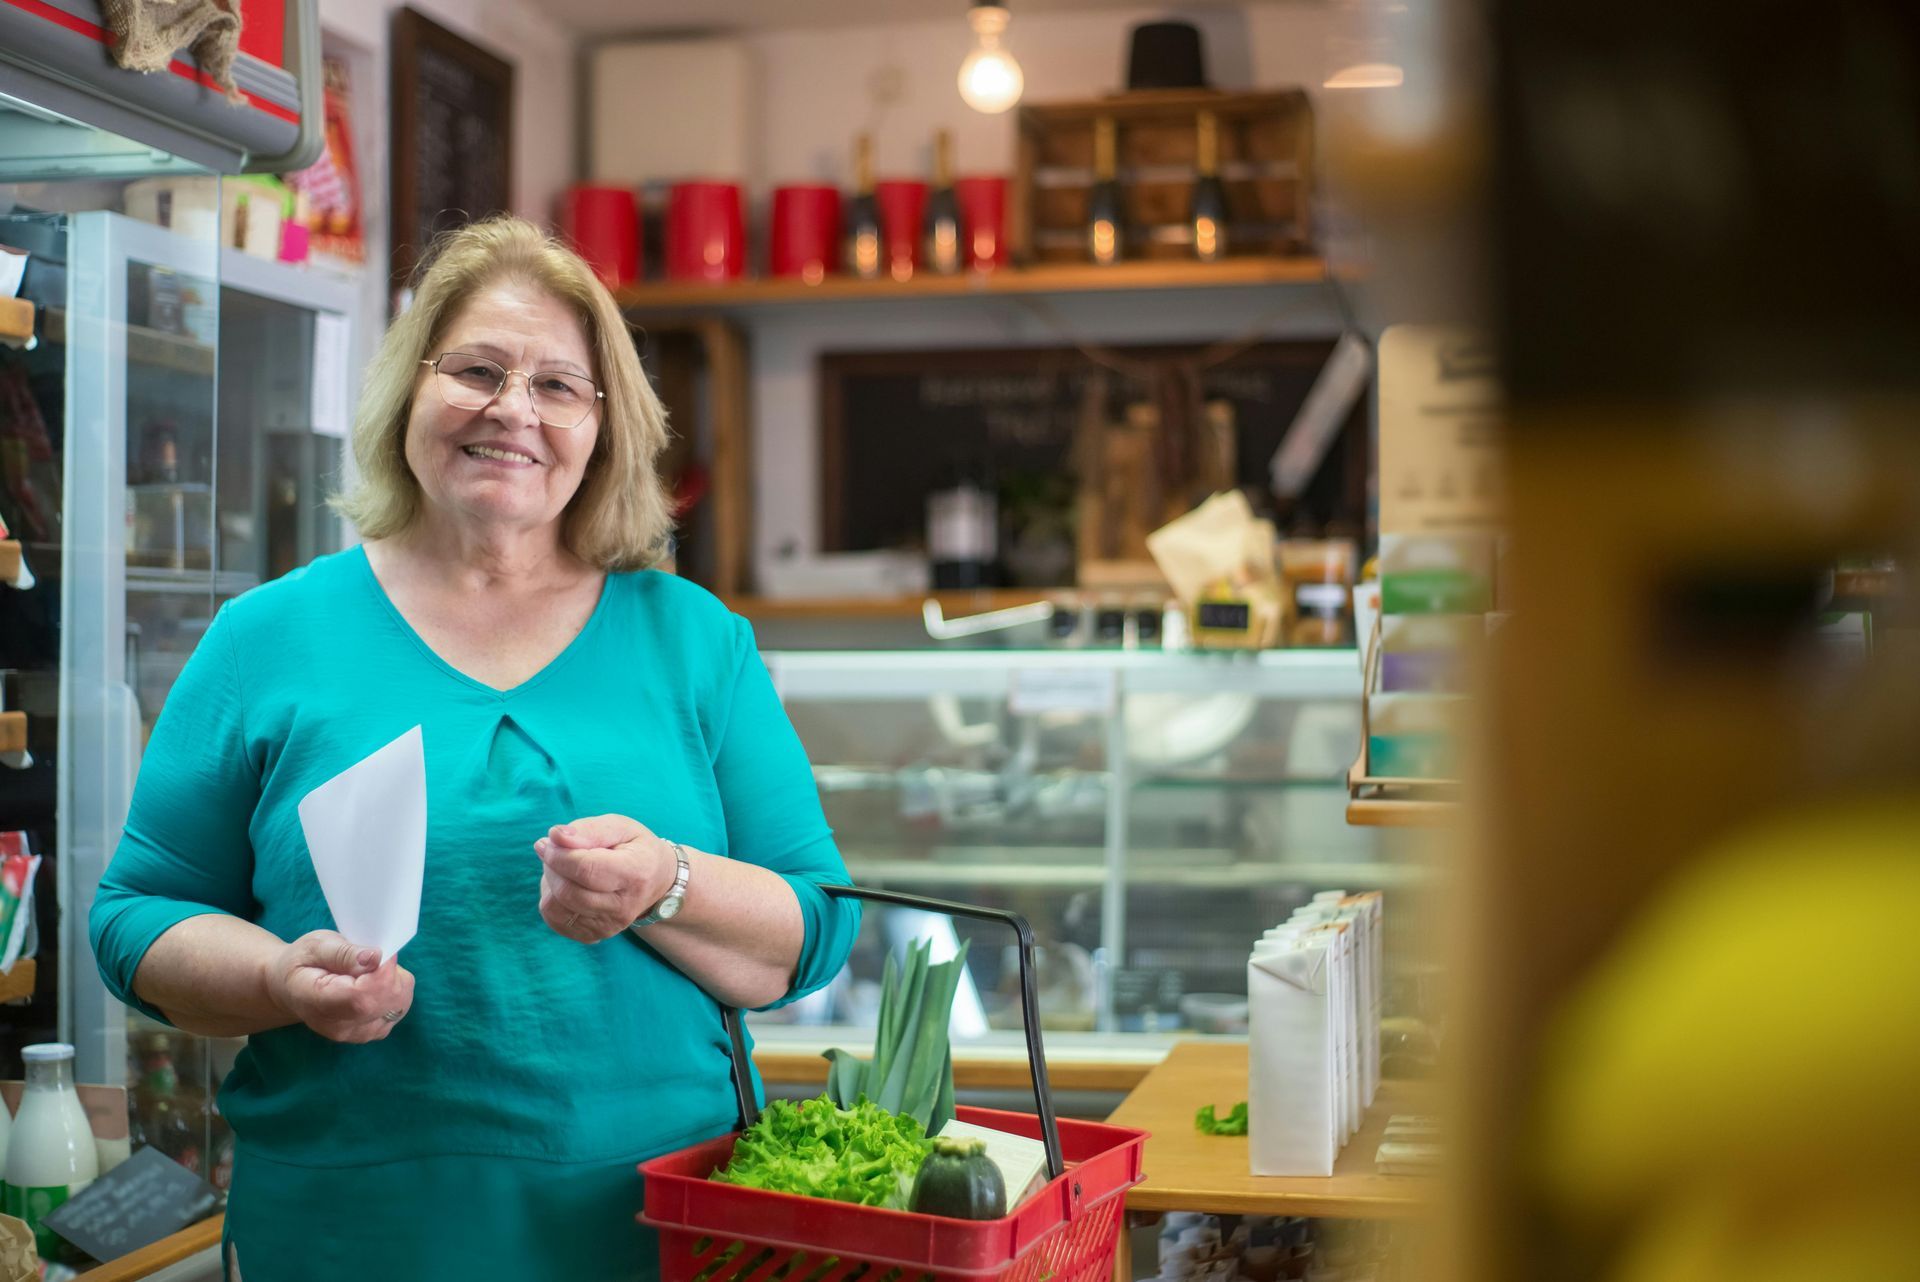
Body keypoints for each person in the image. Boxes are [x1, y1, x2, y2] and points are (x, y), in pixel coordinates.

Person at [89, 216, 858, 1281]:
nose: (512, 410)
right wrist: (279, 976)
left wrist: (666, 882)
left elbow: (813, 929)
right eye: (478, 371)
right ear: (412, 389)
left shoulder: (695, 641)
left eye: (557, 385)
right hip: (349, 1233)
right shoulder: (267, 638)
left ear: (603, 426)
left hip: (661, 1228)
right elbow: (135, 919)